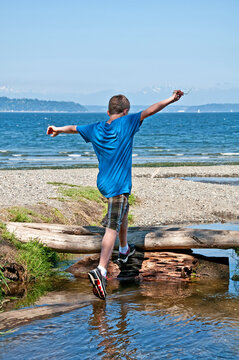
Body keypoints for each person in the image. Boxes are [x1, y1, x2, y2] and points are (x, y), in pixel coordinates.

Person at [47, 90, 184, 300]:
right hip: (118, 184)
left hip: (103, 183)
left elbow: (74, 128)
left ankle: (124, 249)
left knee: (122, 212)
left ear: (108, 111)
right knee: (112, 225)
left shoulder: (95, 128)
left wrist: (57, 129)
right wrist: (171, 99)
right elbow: (151, 110)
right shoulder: (128, 122)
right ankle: (101, 270)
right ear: (125, 111)